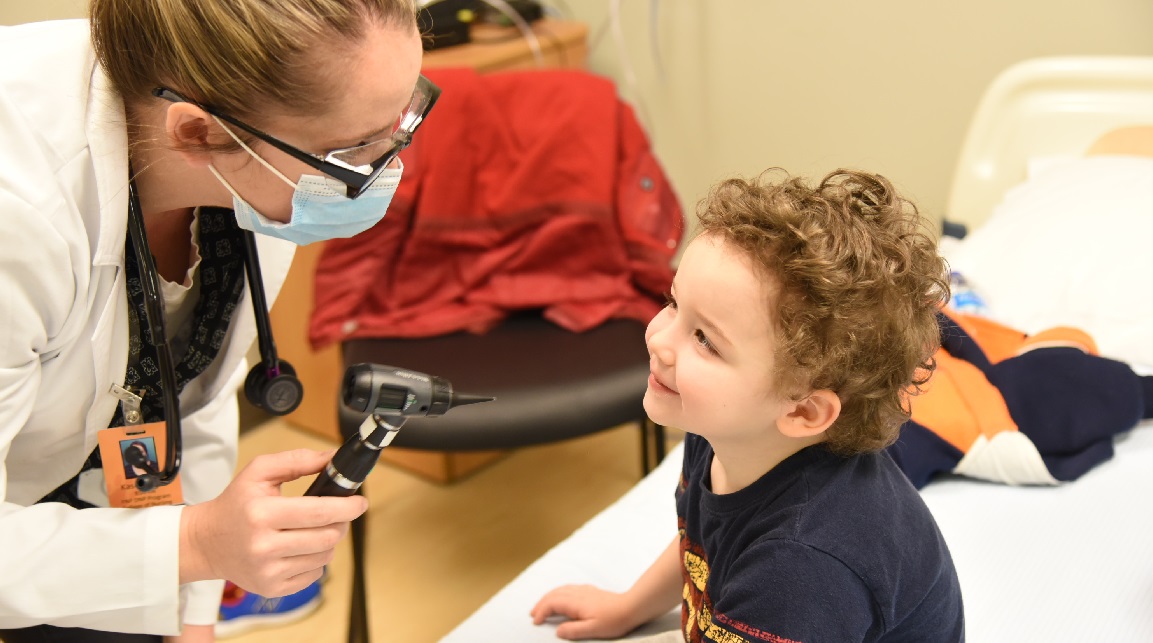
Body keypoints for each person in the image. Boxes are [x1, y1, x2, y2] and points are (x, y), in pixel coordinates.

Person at [0, 1, 431, 641]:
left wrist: (193, 613)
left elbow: (187, 395)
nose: (389, 171)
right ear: (198, 134)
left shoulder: (245, 164)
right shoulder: (19, 216)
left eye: (400, 125)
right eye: (354, 150)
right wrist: (199, 543)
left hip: (103, 470)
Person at [531, 169, 965, 641]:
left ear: (802, 412)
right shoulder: (723, 433)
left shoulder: (800, 567)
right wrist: (628, 607)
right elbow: (702, 547)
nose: (658, 340)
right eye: (673, 303)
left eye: (705, 340)